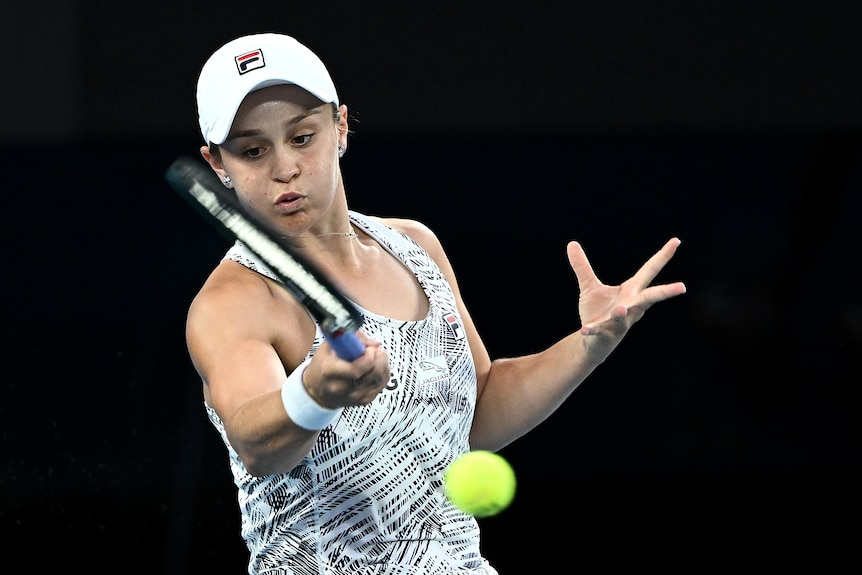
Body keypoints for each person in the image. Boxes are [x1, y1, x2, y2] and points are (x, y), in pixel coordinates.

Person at [186, 32, 686, 574]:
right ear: (217, 165)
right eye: (253, 151)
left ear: (341, 126)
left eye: (303, 137)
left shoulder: (415, 247)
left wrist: (590, 344)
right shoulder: (233, 302)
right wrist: (315, 391)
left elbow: (476, 412)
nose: (284, 167)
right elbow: (257, 444)